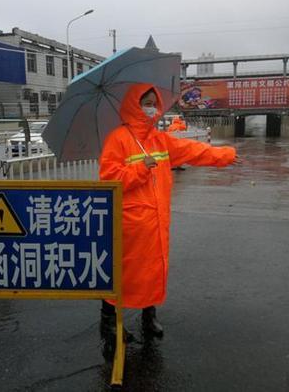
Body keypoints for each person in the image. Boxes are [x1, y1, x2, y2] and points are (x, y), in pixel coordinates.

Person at [98, 83, 238, 339]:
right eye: (146, 102)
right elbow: (109, 179)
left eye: (154, 103)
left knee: (153, 269)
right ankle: (109, 325)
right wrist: (140, 169)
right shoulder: (117, 139)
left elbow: (194, 151)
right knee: (125, 272)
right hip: (130, 223)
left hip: (156, 221)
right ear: (134, 105)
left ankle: (148, 317)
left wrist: (224, 155)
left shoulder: (159, 139)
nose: (152, 108)